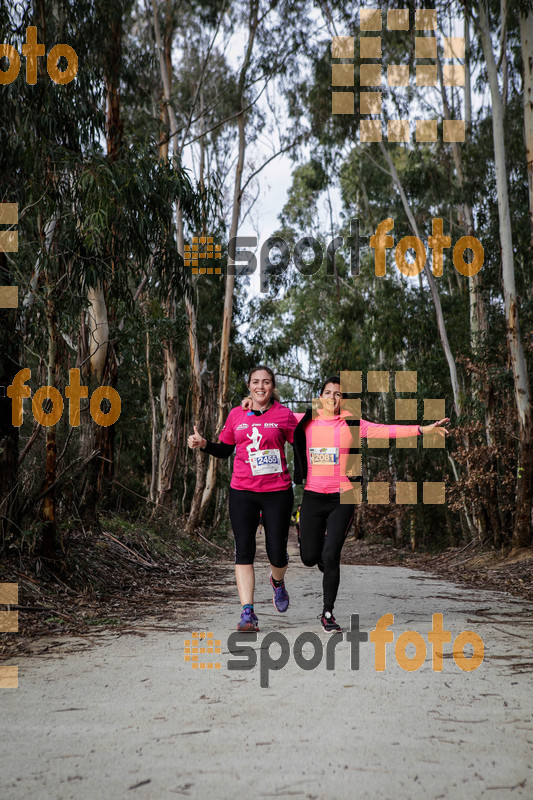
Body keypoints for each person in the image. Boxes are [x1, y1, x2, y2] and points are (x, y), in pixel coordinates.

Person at [291, 376, 450, 632]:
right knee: (310, 558)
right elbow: (274, 417)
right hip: (312, 495)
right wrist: (250, 402)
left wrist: (422, 429)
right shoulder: (304, 419)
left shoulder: (352, 423)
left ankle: (327, 613)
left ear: (343, 399)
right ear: (320, 397)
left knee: (331, 556)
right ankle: (311, 543)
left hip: (343, 496)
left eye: (338, 394)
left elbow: (386, 430)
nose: (332, 398)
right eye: (328, 393)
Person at [187, 366, 298, 633]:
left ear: (273, 386)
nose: (261, 387)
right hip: (243, 492)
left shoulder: (284, 415)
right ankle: (247, 612)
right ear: (249, 385)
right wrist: (204, 444)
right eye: (256, 382)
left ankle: (278, 582)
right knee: (244, 550)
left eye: (267, 382)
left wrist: (309, 480)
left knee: (277, 553)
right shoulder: (237, 414)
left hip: (277, 492)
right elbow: (225, 449)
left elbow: (302, 444)